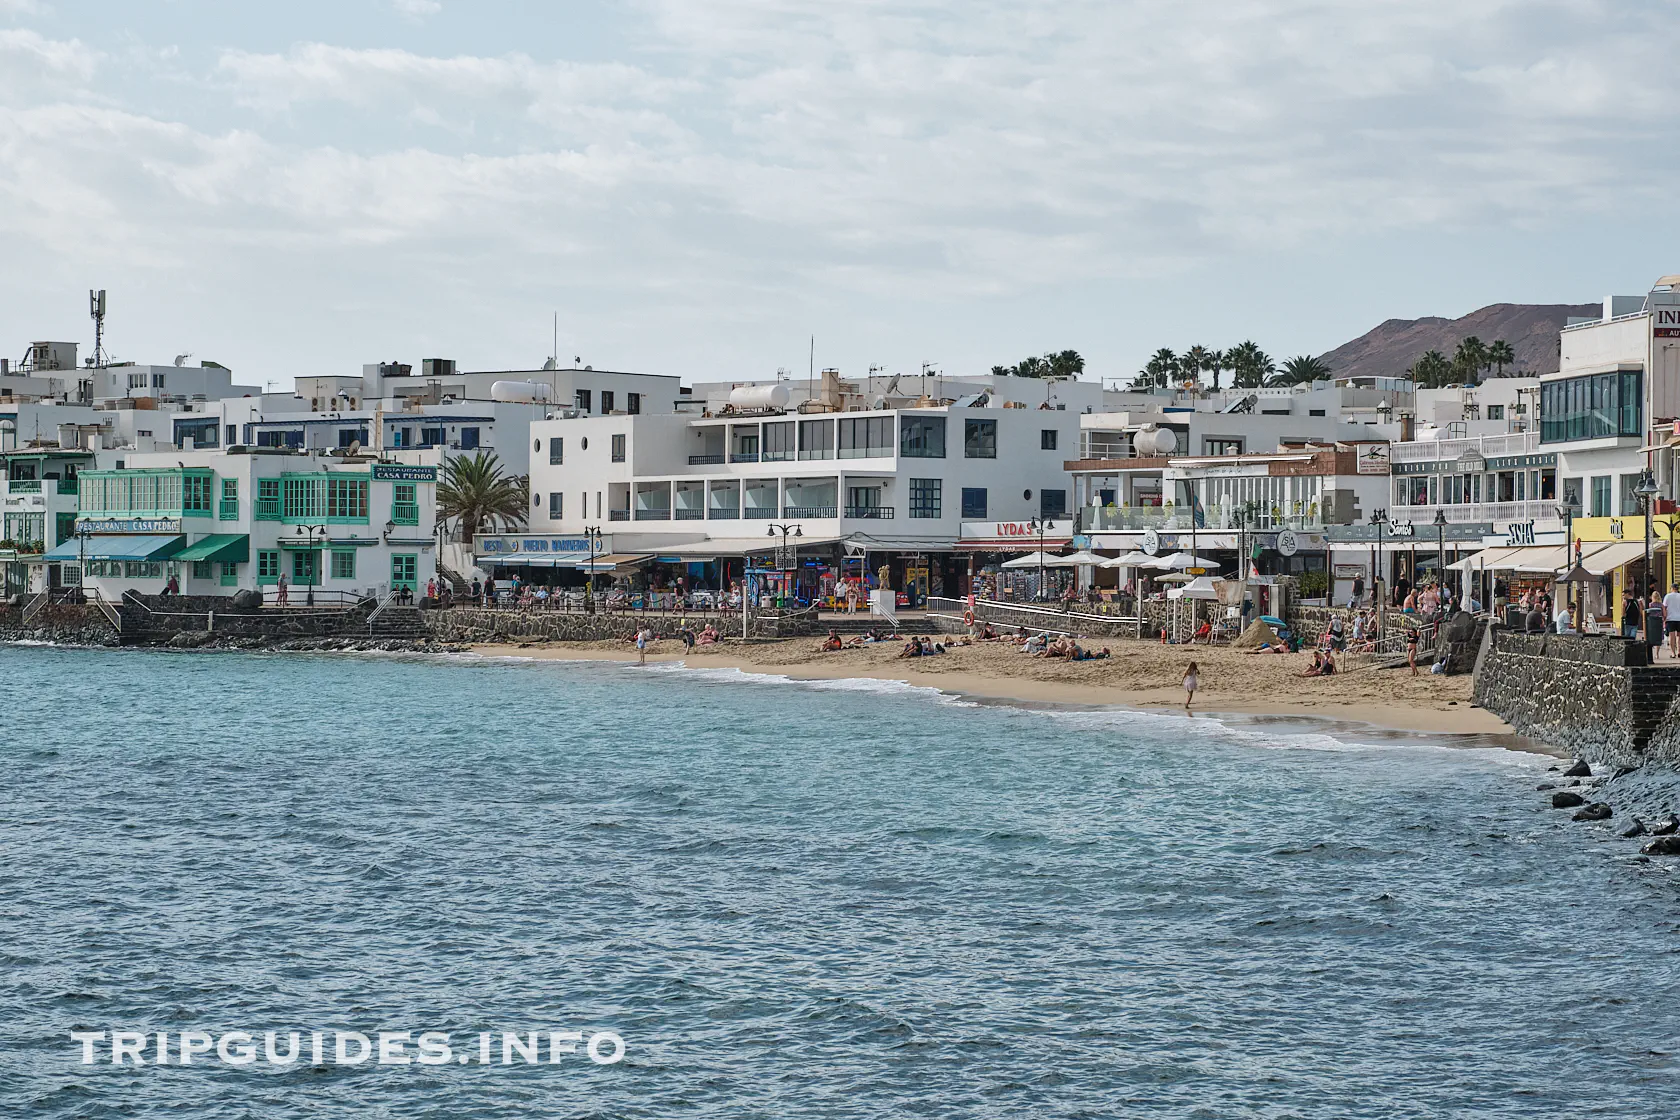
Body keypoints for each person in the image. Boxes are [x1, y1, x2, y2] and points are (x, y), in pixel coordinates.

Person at [1664, 584, 1680, 659]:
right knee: (1679, 636)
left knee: (1672, 636)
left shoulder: (1668, 596)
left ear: (1672, 588)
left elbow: (1664, 607)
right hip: (1679, 618)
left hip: (1670, 618)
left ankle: (1673, 653)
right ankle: (1679, 651)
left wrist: (1664, 617)